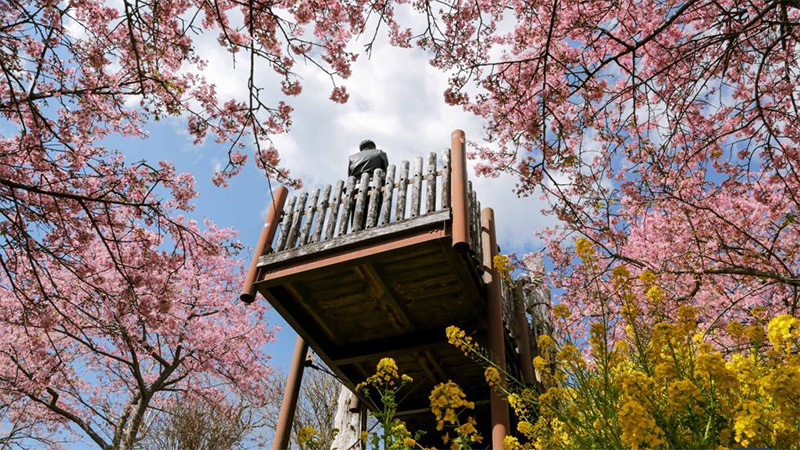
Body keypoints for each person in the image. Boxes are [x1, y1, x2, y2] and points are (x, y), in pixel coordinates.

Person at [348, 139, 388, 230]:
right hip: (374, 185)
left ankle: (356, 230)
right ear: (373, 147)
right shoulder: (380, 153)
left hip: (356, 188)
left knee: (356, 216)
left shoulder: (352, 157)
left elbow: (350, 175)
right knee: (372, 212)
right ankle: (370, 228)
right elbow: (385, 171)